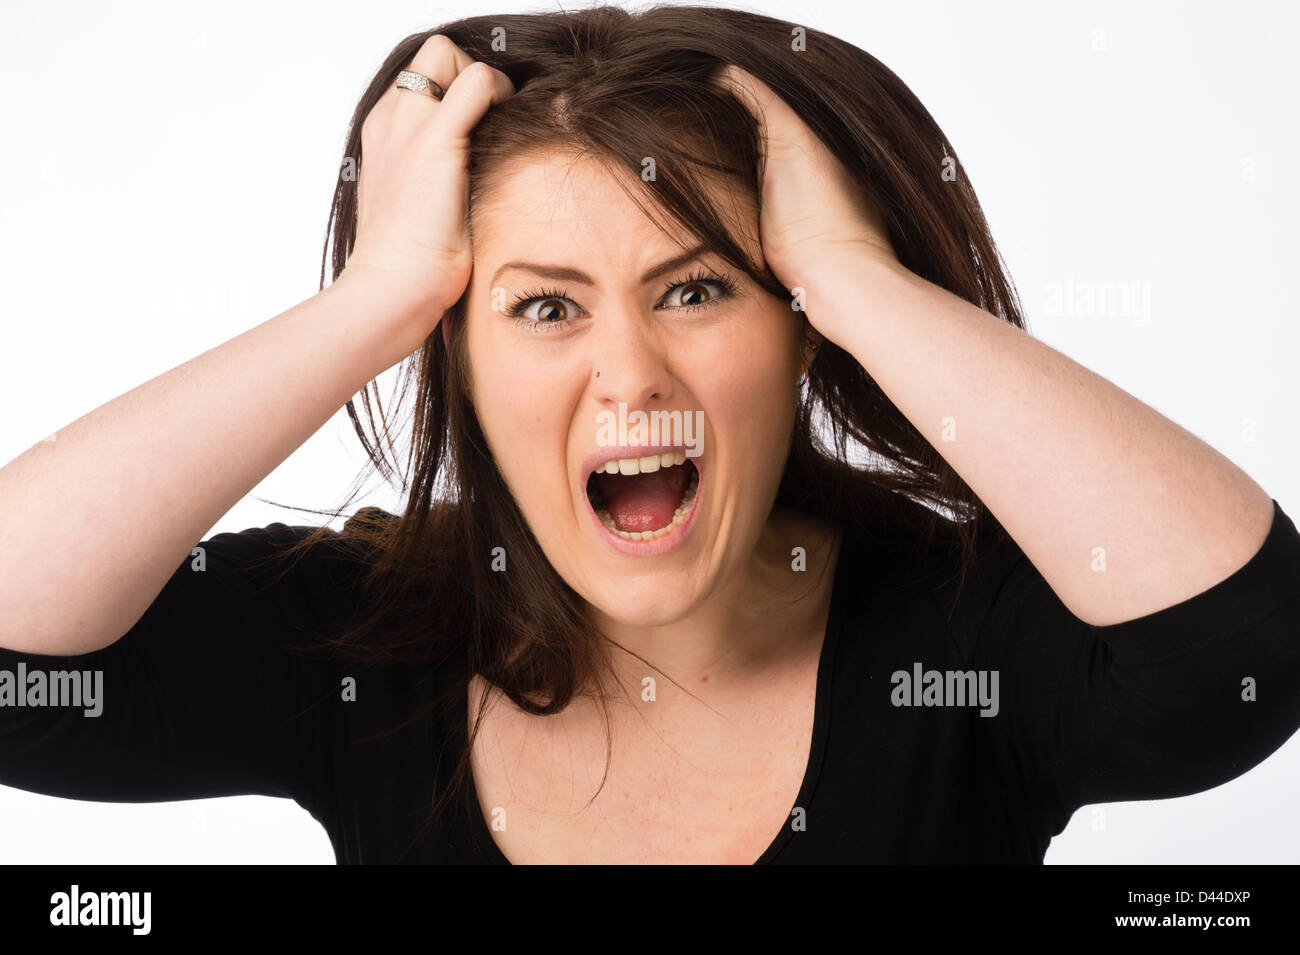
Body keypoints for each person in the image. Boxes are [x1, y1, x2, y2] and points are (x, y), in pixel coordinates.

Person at [2, 5, 1298, 864]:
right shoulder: (366, 651)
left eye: (697, 288)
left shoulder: (960, 647)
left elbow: (1247, 655)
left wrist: (854, 278)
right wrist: (372, 303)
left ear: (796, 323)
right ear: (458, 344)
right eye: (545, 306)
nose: (629, 373)